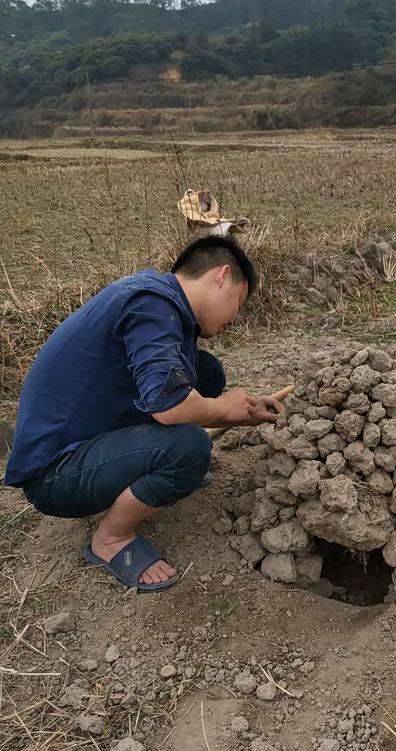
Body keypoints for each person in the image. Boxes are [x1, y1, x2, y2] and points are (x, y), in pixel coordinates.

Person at [4, 235, 282, 592]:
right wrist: (222, 408)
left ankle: (147, 468)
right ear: (222, 276)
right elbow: (169, 406)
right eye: (237, 303)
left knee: (206, 372)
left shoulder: (159, 302)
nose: (234, 318)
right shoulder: (150, 305)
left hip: (87, 436)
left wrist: (239, 413)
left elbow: (171, 394)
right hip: (55, 473)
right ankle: (111, 539)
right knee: (189, 447)